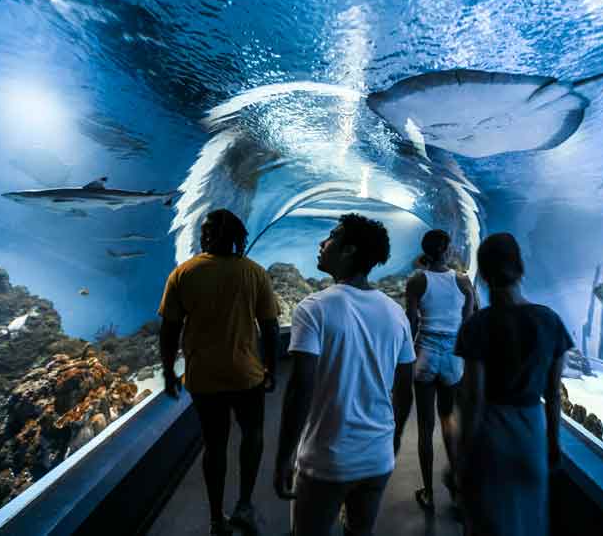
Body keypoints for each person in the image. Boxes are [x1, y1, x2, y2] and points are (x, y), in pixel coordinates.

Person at [274, 213, 416, 536]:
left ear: (349, 250)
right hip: (378, 458)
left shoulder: (314, 308)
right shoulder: (396, 314)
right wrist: (392, 441)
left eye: (332, 236)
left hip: (326, 460)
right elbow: (405, 387)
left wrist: (284, 456)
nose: (323, 243)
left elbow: (300, 387)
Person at [159, 209, 280, 536]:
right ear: (239, 237)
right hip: (246, 376)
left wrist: (169, 371)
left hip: (203, 377)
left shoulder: (183, 273)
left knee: (214, 445)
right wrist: (271, 365)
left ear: (206, 236)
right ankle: (244, 505)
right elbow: (269, 326)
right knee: (252, 436)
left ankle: (216, 519)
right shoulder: (254, 273)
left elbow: (169, 329)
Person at [454, 233, 571, 536]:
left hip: (490, 433)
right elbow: (554, 395)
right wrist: (553, 444)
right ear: (520, 268)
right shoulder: (550, 322)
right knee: (529, 521)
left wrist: (463, 455)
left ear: (483, 275)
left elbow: (473, 399)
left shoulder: (476, 326)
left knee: (487, 522)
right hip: (531, 433)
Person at [402, 229, 475, 510]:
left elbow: (410, 323)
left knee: (424, 427)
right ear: (448, 250)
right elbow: (468, 324)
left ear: (424, 251)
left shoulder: (417, 280)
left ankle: (429, 493)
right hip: (452, 358)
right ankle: (457, 490)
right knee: (448, 420)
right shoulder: (463, 281)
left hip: (425, 354)